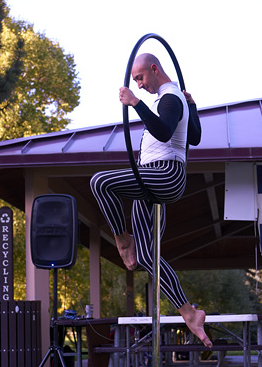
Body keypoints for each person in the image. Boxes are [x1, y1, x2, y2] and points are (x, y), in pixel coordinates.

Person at [90, 53, 212, 348]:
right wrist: (192, 105)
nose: (140, 85)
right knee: (147, 257)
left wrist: (135, 103)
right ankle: (189, 314)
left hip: (165, 175)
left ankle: (121, 240)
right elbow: (194, 136)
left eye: (141, 78)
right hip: (152, 178)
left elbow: (164, 130)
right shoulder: (175, 99)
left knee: (100, 182)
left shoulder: (169, 98)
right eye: (135, 83)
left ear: (154, 69)